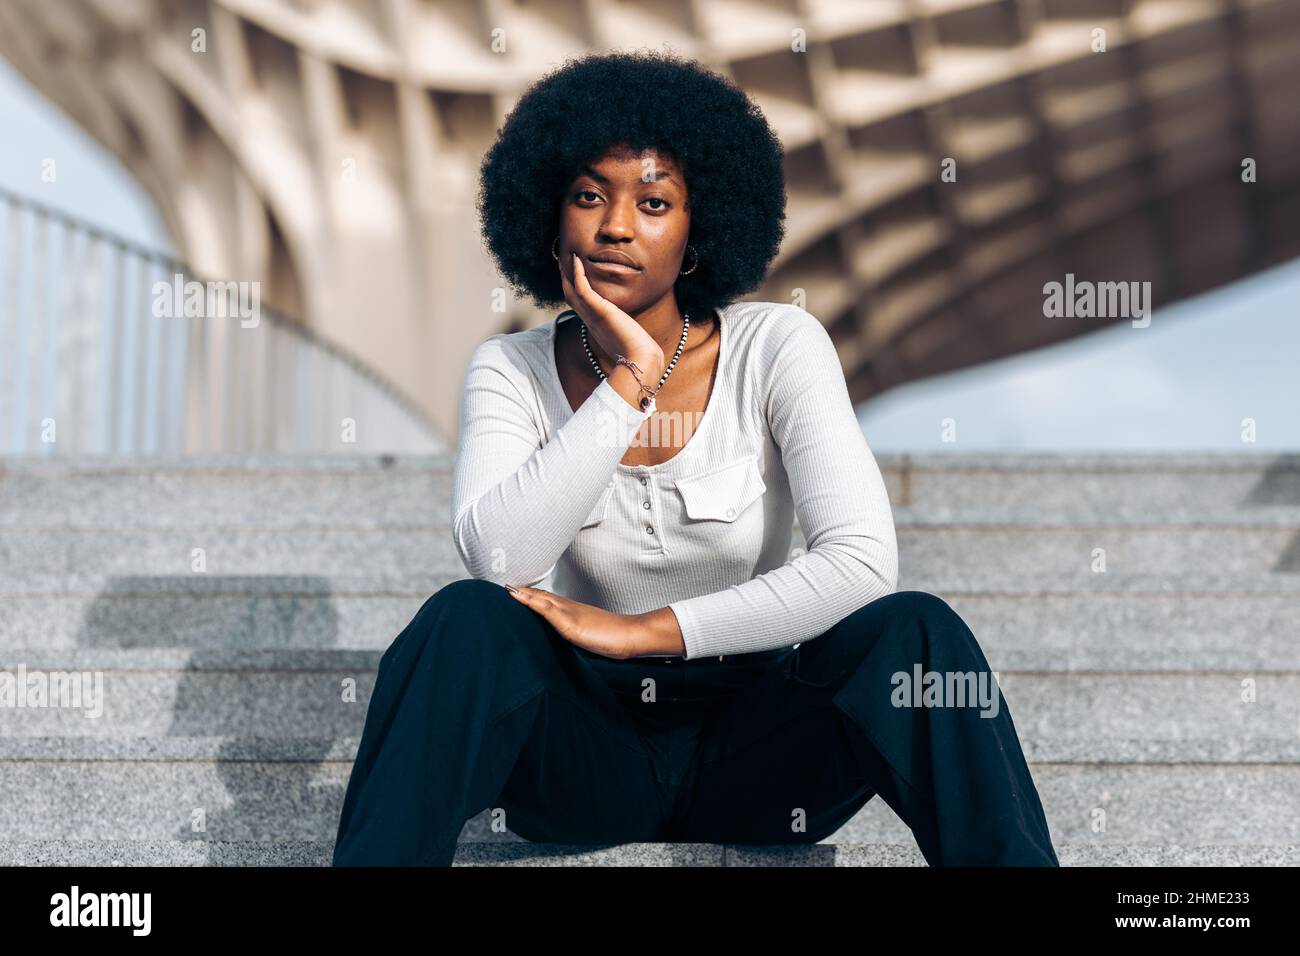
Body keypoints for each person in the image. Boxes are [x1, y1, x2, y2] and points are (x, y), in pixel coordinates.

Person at [331, 50, 1058, 867]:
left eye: (653, 202)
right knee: (461, 619)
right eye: (588, 195)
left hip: (759, 753)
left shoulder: (778, 345)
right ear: (548, 214)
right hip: (582, 754)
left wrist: (651, 632)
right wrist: (629, 383)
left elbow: (859, 564)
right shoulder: (511, 369)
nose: (614, 225)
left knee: (918, 633)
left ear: (700, 230)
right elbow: (499, 558)